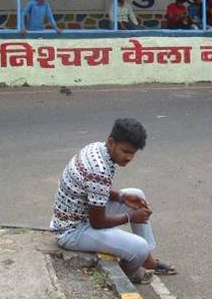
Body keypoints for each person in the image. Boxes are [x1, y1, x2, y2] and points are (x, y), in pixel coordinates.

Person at [51, 118, 176, 283]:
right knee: (139, 247)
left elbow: (93, 190)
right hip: (72, 232)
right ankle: (130, 272)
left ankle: (147, 259)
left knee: (136, 194)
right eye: (125, 151)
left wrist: (121, 197)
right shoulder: (99, 170)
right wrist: (131, 217)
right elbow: (97, 222)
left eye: (133, 153)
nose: (129, 157)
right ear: (111, 143)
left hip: (82, 215)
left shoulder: (97, 148)